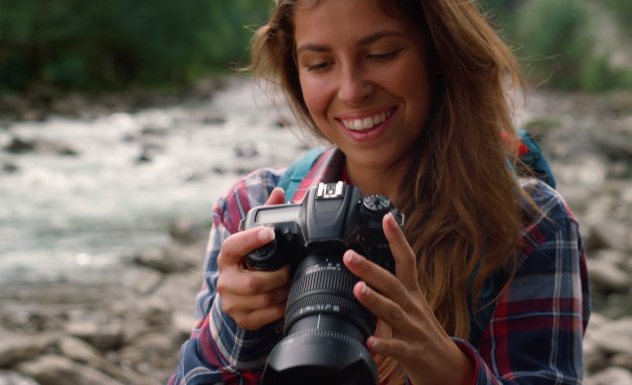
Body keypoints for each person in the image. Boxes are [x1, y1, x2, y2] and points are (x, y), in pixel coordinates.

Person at [168, 0, 590, 384]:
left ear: (439, 54)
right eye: (319, 64)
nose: (351, 90)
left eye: (381, 54)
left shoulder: (528, 224)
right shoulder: (253, 206)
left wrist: (446, 368)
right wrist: (232, 326)